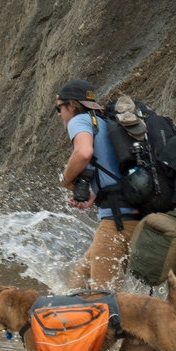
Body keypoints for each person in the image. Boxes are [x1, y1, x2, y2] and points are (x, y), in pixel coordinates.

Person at [55, 79, 142, 290]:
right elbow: (113, 168)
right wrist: (95, 192)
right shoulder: (104, 122)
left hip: (117, 224)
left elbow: (84, 153)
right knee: (77, 284)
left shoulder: (80, 120)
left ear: (72, 106)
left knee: (103, 298)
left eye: (59, 108)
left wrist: (67, 181)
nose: (58, 114)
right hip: (135, 216)